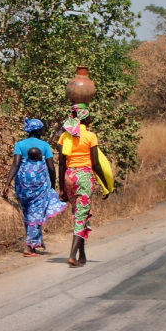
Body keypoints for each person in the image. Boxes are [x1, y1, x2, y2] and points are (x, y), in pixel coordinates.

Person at [3, 118, 67, 257]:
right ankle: (28, 246)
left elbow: (15, 165)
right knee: (36, 213)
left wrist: (7, 184)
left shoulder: (19, 144)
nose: (44, 131)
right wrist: (52, 185)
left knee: (28, 213)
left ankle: (33, 245)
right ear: (38, 130)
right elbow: (51, 167)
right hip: (39, 185)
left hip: (22, 185)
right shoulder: (44, 145)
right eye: (43, 129)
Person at [57, 104, 107, 268]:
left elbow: (62, 164)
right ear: (85, 117)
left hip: (69, 177)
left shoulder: (65, 136)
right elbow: (97, 164)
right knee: (81, 215)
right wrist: (105, 184)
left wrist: (62, 188)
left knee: (79, 212)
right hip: (84, 177)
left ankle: (82, 254)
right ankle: (72, 255)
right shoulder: (90, 136)